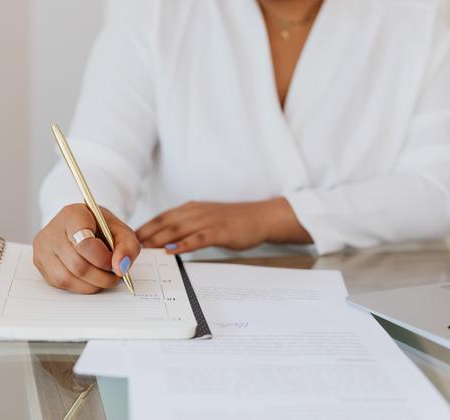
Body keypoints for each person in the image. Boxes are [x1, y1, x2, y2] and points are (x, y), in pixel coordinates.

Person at [34, 0, 450, 294]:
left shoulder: (426, 16)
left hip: (383, 300)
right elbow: (97, 160)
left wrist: (269, 217)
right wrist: (79, 219)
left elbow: (438, 189)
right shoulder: (155, 11)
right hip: (188, 301)